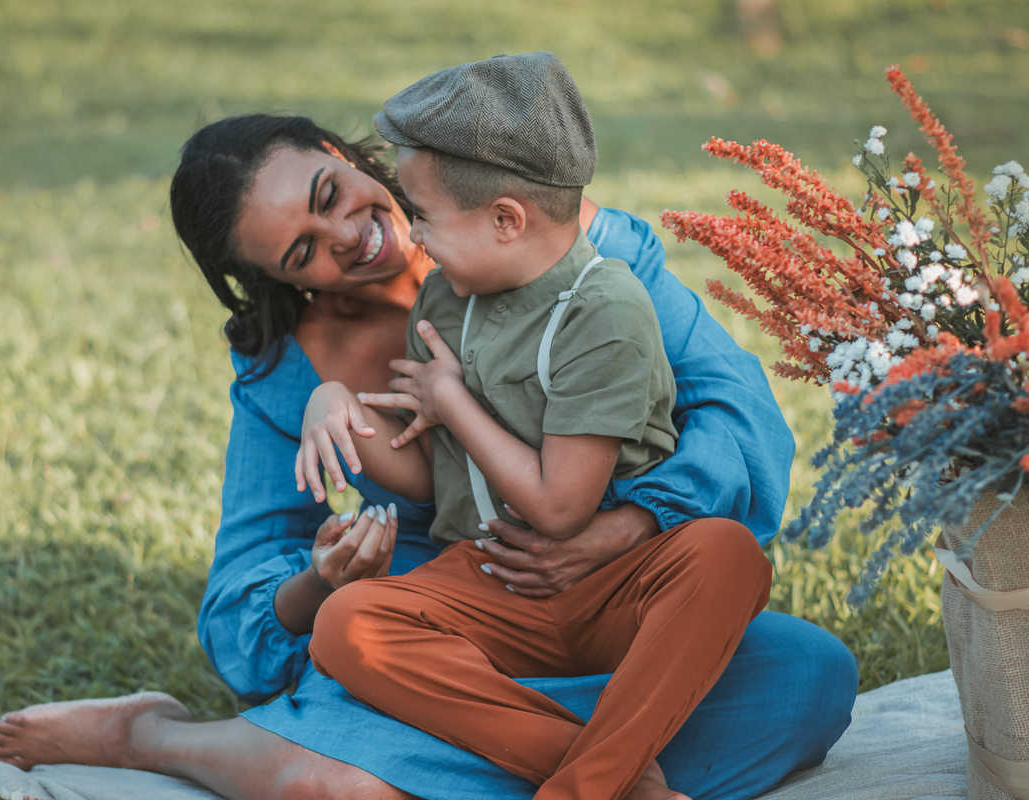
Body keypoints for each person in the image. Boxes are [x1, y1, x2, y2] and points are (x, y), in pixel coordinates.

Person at [0, 97, 858, 798]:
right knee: (339, 770)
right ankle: (161, 738)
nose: (348, 238)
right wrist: (321, 578)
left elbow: (739, 415)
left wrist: (626, 527)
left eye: (329, 194)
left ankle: (443, 765)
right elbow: (239, 609)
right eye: (303, 253)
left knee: (805, 678)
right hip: (453, 653)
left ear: (339, 149)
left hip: (628, 608)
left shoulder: (566, 246)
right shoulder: (290, 375)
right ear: (278, 279)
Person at [305, 54, 770, 800]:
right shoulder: (445, 301)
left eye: (424, 215)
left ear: (506, 220)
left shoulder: (605, 310)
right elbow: (425, 471)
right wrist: (333, 406)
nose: (415, 237)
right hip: (489, 577)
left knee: (725, 555)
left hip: (615, 581)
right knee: (346, 624)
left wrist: (452, 399)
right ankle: (621, 780)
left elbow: (560, 508)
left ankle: (579, 789)